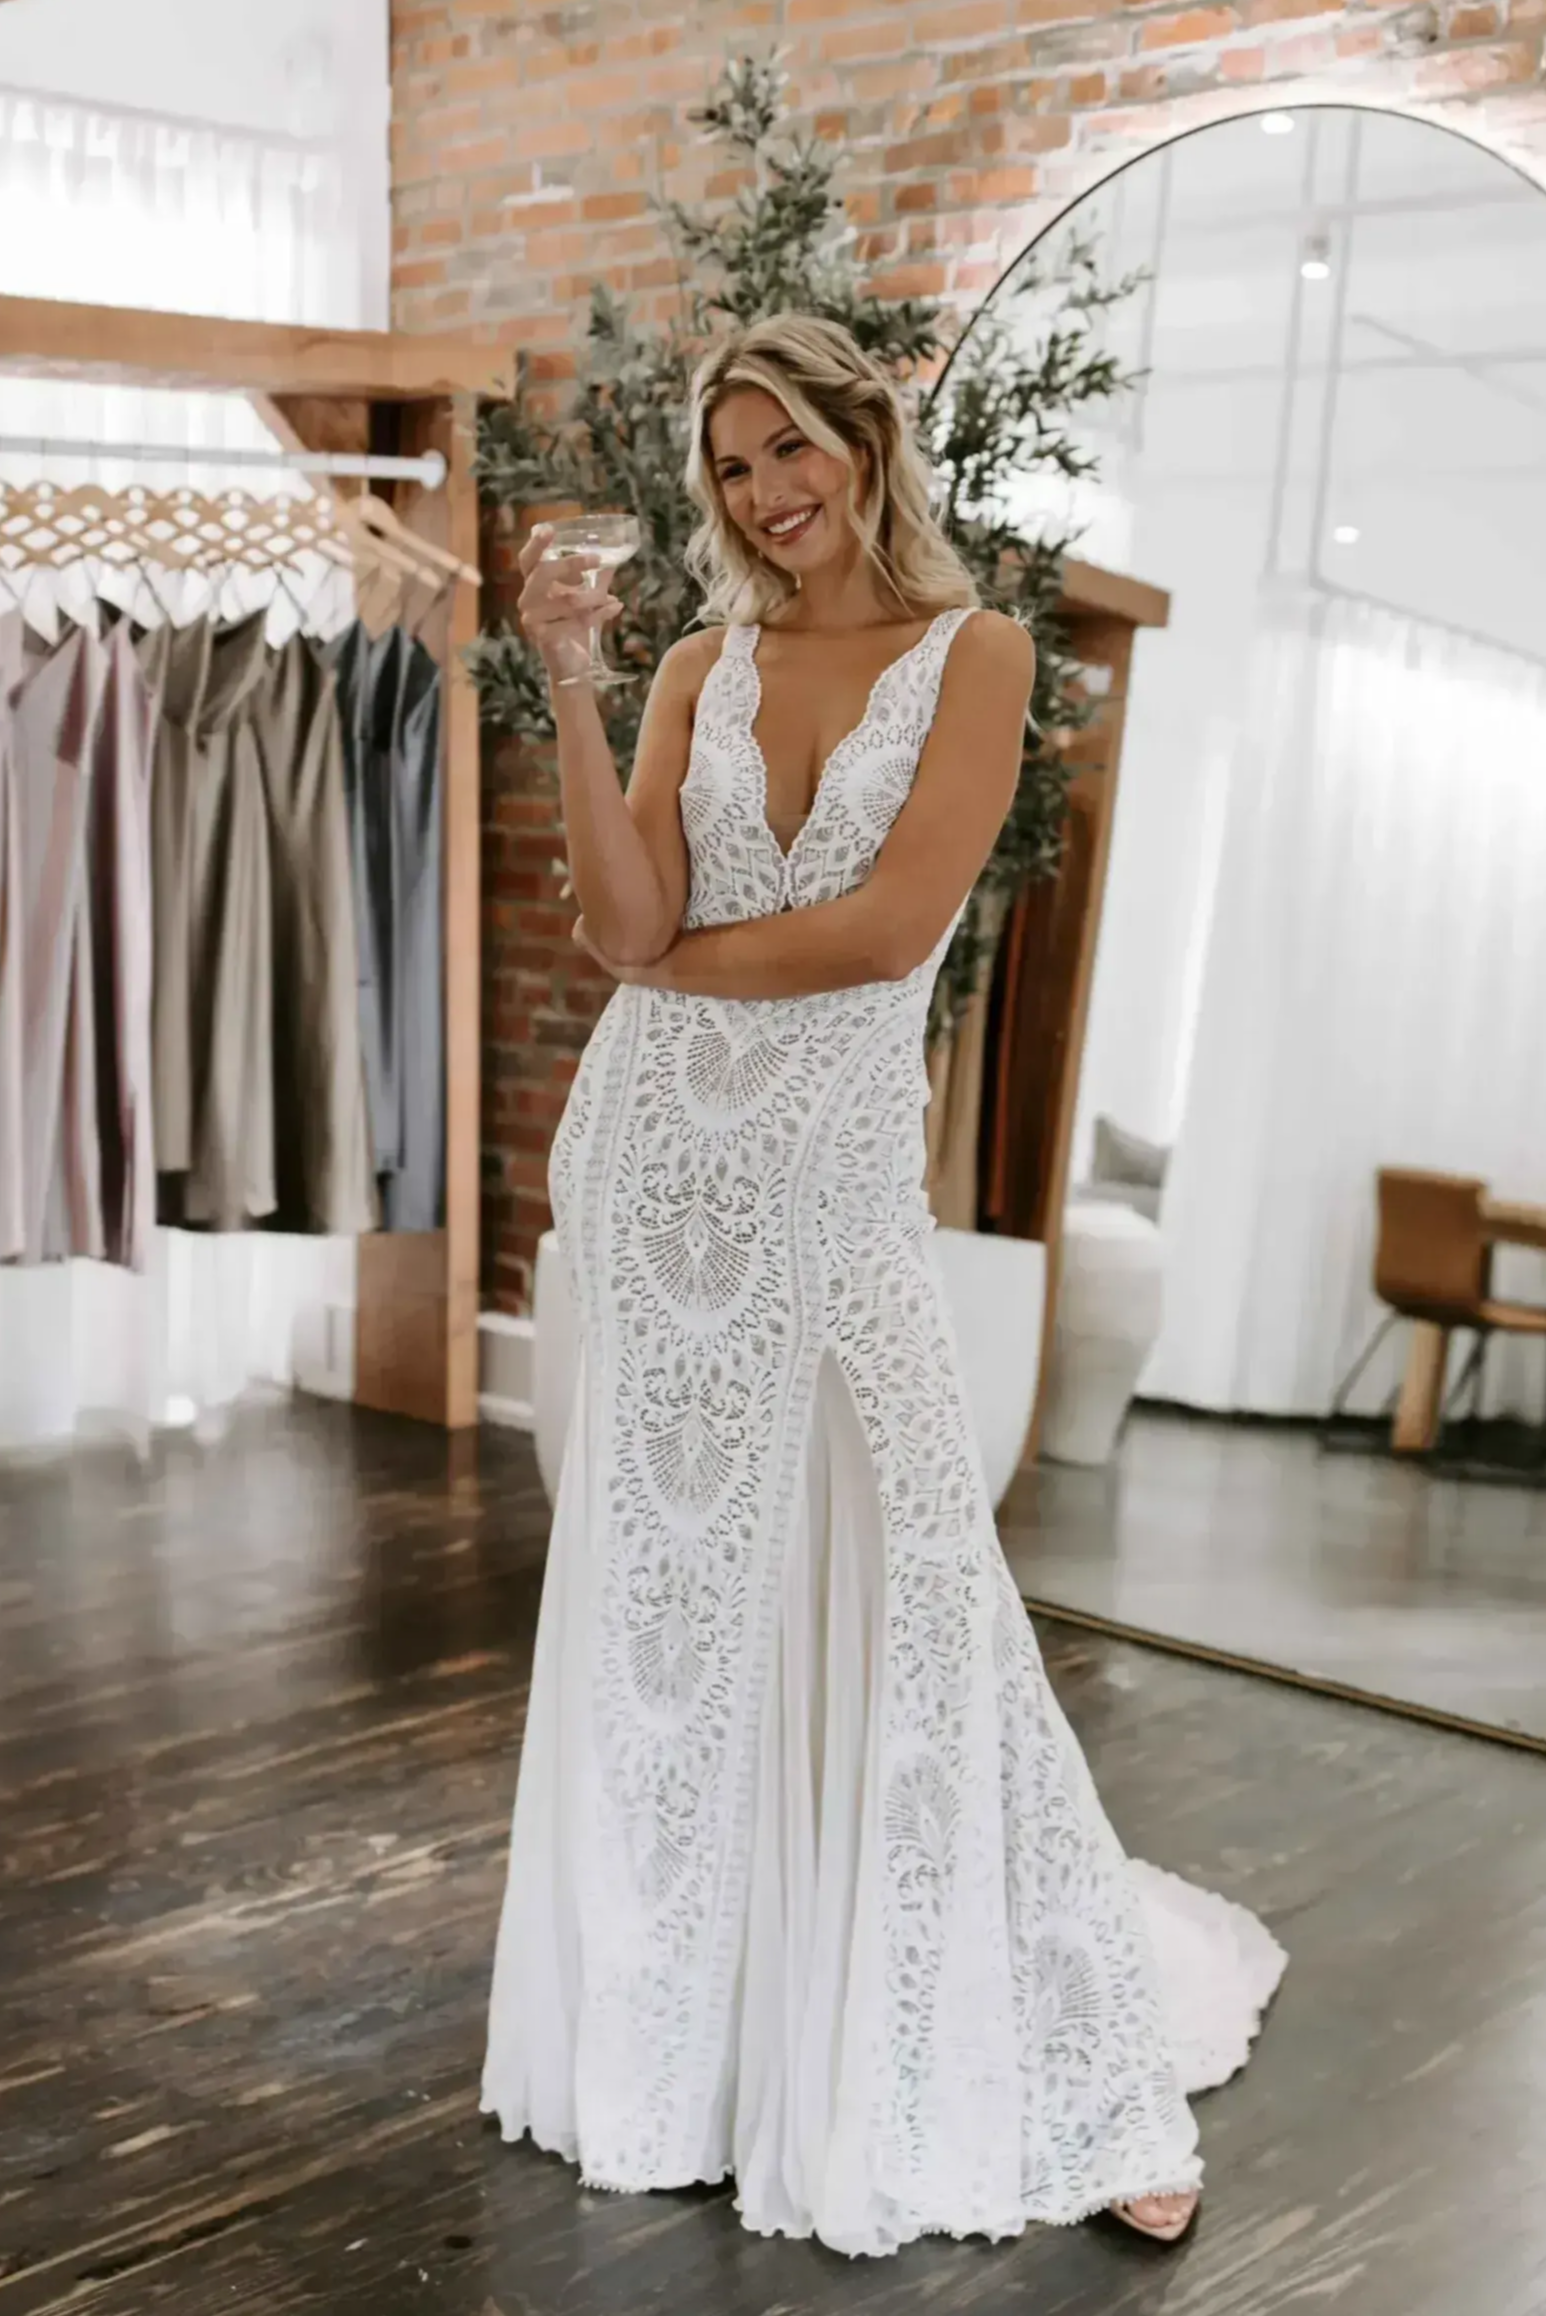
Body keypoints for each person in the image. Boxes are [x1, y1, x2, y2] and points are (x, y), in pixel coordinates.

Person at [480, 314, 1283, 2257]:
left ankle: (1072, 2047)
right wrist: (574, 685)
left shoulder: (980, 652)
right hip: (664, 1175)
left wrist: (669, 971)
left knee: (913, 1565)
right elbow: (619, 913)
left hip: (829, 1183)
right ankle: (692, 2040)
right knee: (681, 1599)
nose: (764, 491)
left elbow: (887, 924)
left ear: (862, 437)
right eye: (732, 464)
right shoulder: (694, 661)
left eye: (788, 447)